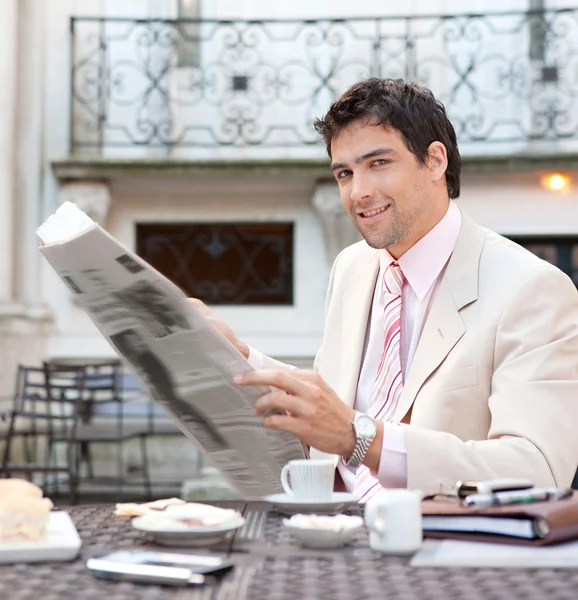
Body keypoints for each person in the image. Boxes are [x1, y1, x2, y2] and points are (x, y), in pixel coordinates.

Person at [191, 78, 578, 500]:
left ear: (434, 161)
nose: (359, 192)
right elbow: (331, 412)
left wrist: (364, 439)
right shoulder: (351, 267)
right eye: (345, 172)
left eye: (378, 163)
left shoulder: (533, 288)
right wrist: (239, 359)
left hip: (442, 550)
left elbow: (537, 469)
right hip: (327, 533)